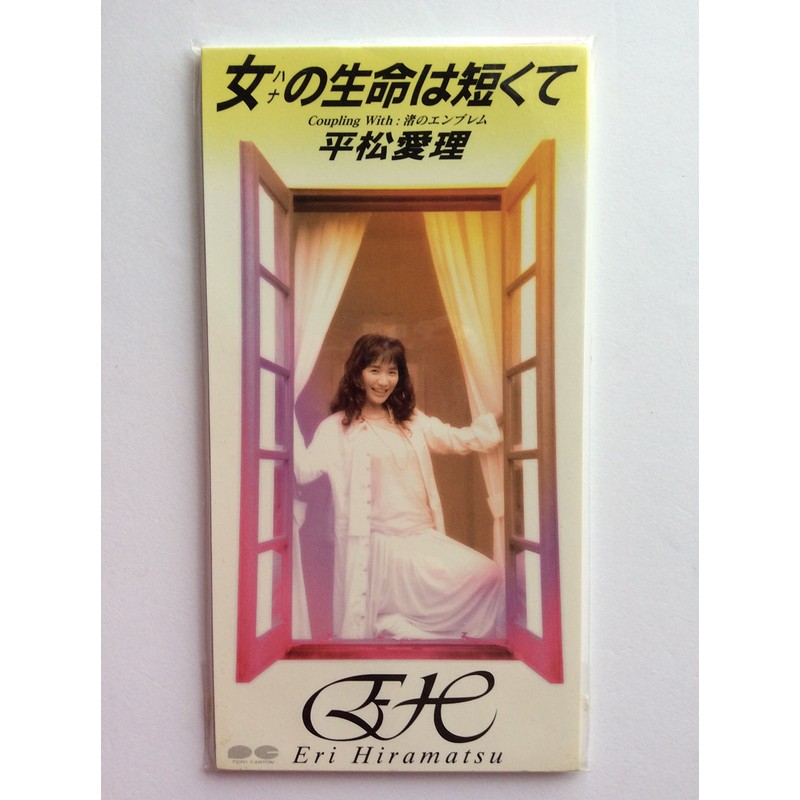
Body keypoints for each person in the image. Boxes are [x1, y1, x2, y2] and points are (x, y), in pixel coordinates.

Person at [294, 333, 503, 641]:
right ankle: (394, 624)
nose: (383, 381)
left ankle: (396, 625)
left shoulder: (411, 421)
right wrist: (282, 410)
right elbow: (304, 470)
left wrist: (500, 414)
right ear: (357, 374)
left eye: (392, 372)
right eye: (374, 370)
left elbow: (457, 439)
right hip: (378, 547)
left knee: (489, 574)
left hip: (421, 538)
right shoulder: (337, 427)